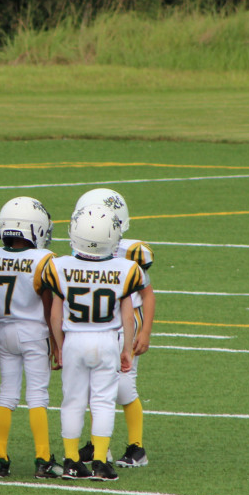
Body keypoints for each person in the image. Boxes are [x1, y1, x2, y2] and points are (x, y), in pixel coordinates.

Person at [40, 204, 145, 481]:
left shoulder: (59, 266)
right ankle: (100, 461)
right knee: (102, 402)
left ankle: (72, 460)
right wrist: (126, 348)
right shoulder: (126, 268)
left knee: (72, 401)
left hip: (75, 338)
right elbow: (127, 314)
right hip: (106, 339)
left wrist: (59, 346)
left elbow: (55, 313)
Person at [72, 188, 155, 466]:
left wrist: (144, 332)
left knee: (123, 389)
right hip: (99, 325)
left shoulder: (132, 250)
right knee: (94, 388)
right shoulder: (82, 247)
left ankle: (136, 447)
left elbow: (146, 293)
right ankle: (98, 445)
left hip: (126, 326)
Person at [0, 196, 61, 479]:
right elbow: (51, 307)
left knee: (6, 395)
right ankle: (43, 458)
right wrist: (57, 344)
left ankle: (0, 458)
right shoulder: (43, 259)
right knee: (37, 395)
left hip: (4, 331)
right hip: (34, 333)